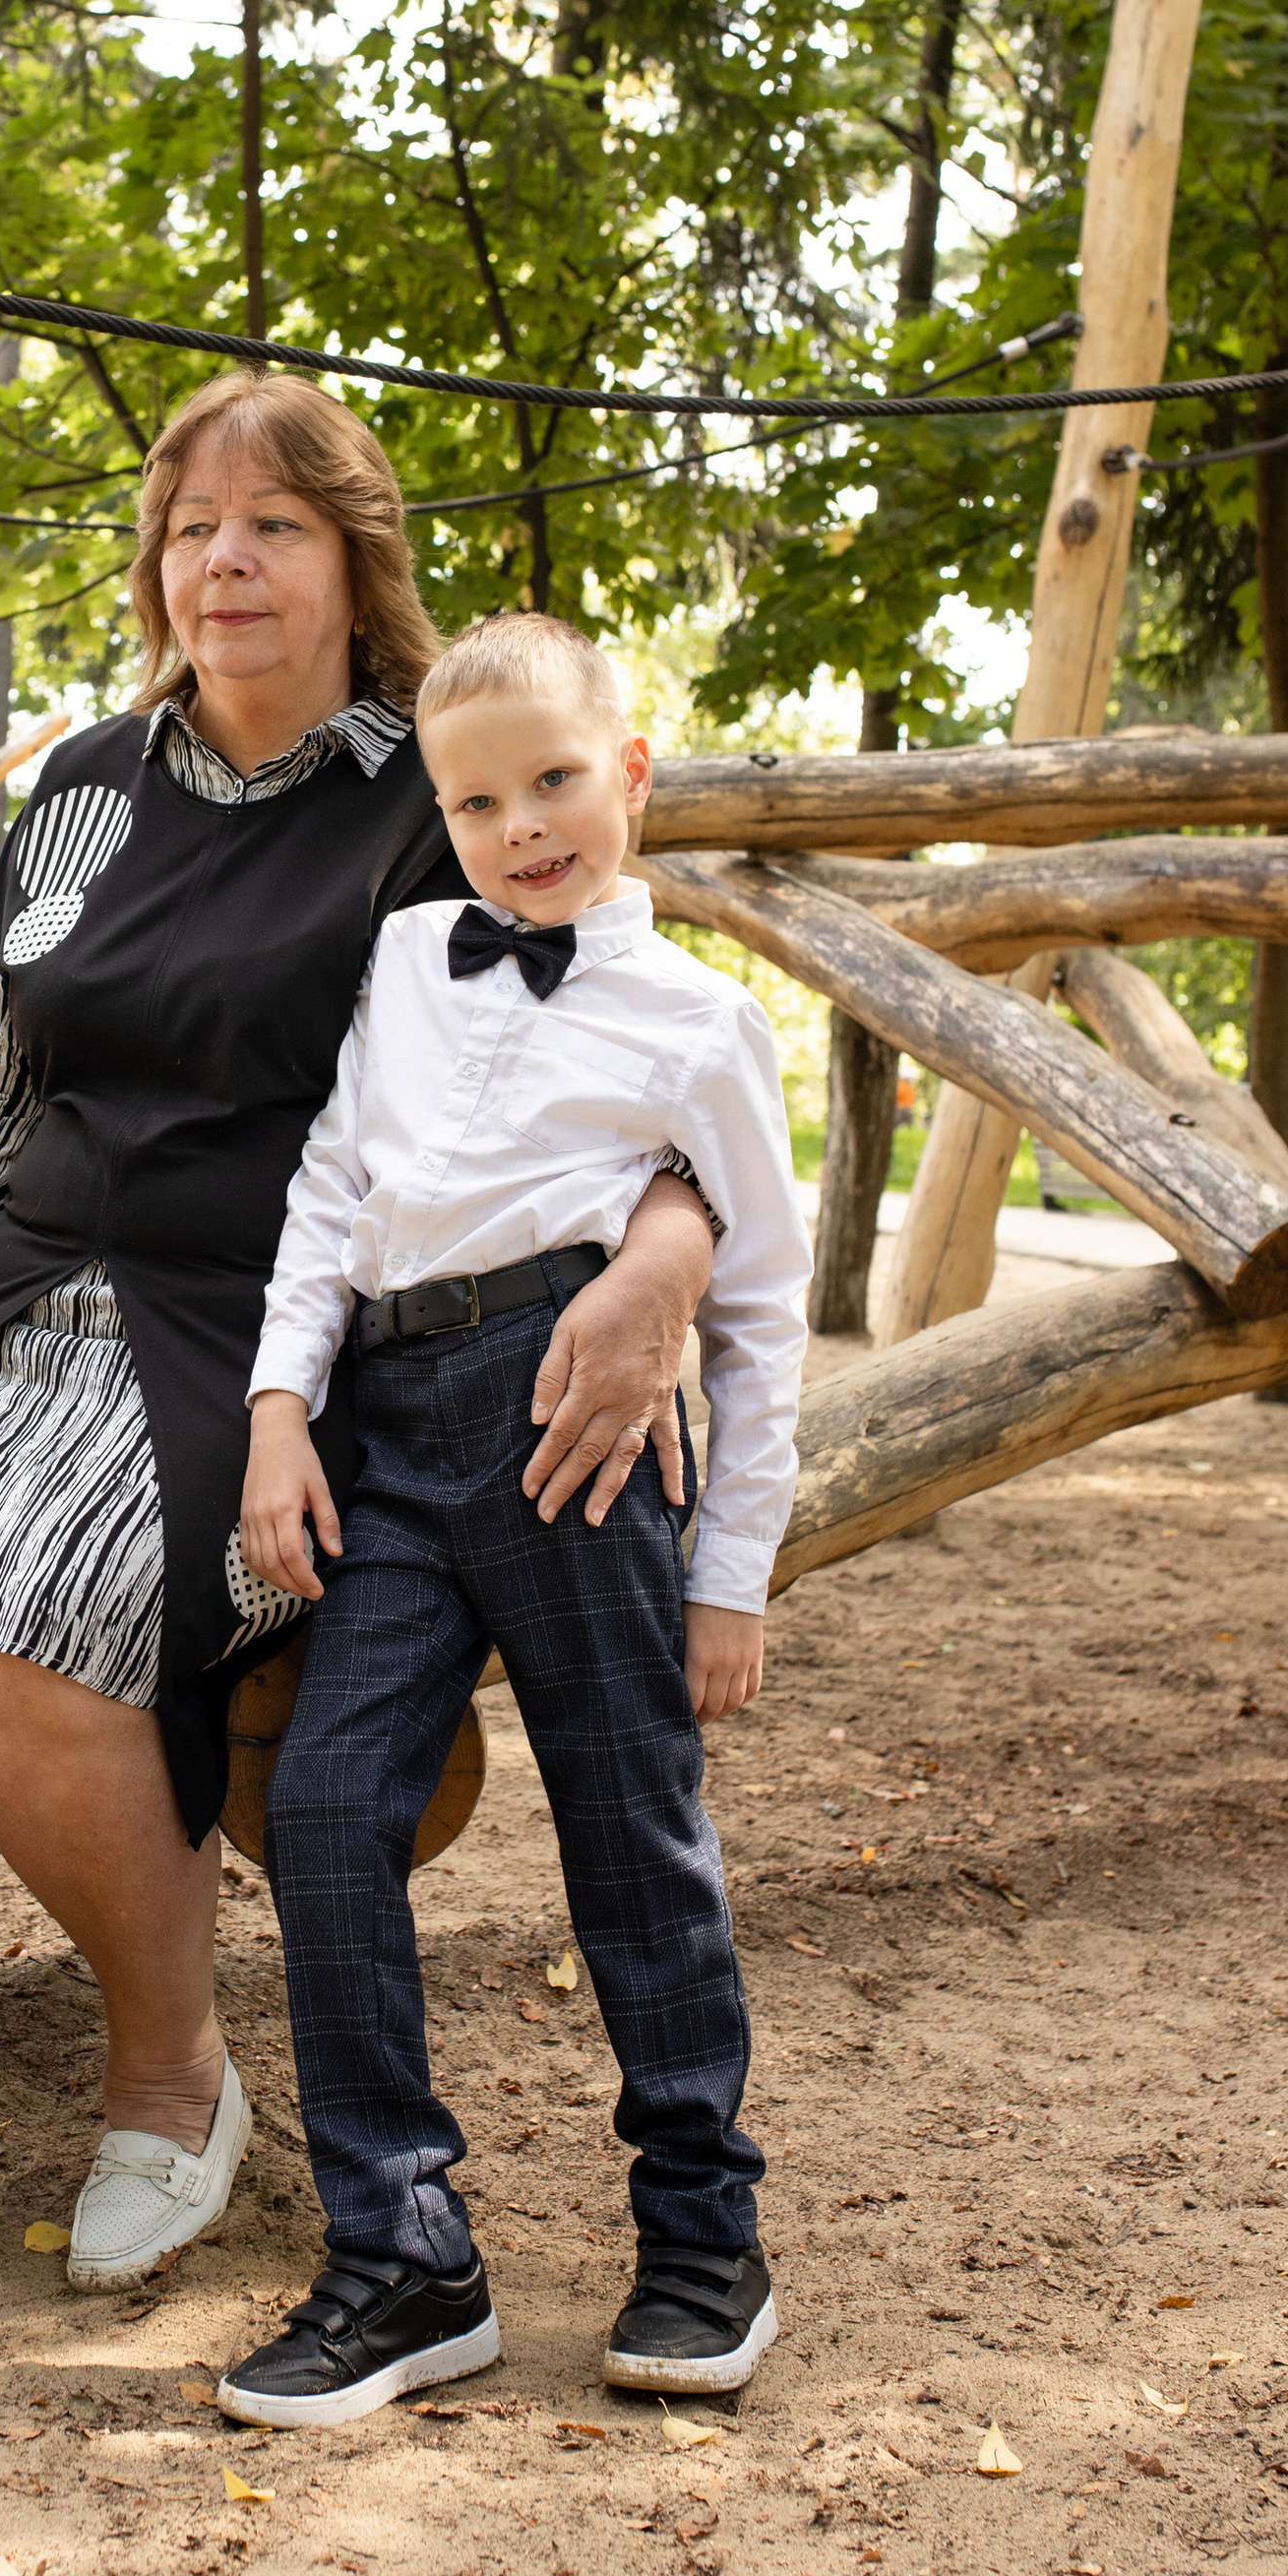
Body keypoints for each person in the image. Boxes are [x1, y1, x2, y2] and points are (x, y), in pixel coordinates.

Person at [0, 378, 717, 2340]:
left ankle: (171, 2082)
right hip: (21, 1294)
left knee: (37, 1625)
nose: (223, 562)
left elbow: (628, 1037)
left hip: (273, 1333)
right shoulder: (90, 785)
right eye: (191, 528)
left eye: (272, 525)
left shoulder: (436, 791)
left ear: (354, 557)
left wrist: (670, 1250)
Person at [220, 613, 809, 2427]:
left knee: (631, 1831)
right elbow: (331, 1187)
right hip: (389, 1430)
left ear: (629, 772)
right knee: (326, 1809)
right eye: (477, 804)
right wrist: (278, 1412)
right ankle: (404, 2255)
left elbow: (761, 1310)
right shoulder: (409, 956)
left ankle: (703, 2235)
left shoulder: (701, 1021)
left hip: (575, 1434)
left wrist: (733, 1579)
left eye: (555, 781)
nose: (521, 827)